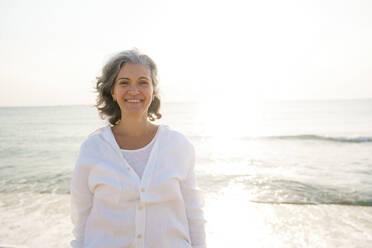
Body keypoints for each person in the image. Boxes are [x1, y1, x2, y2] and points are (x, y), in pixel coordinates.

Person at [70, 49, 207, 248]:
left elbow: (194, 214)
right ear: (113, 91)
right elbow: (80, 219)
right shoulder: (93, 149)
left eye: (143, 82)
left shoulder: (178, 146)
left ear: (153, 91)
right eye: (124, 83)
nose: (134, 90)